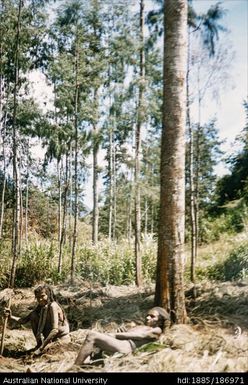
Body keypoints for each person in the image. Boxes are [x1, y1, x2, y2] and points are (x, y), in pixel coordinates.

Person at [74, 306, 170, 366]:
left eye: (152, 316)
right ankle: (88, 363)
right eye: (148, 315)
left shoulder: (157, 330)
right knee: (95, 340)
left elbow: (139, 336)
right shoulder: (144, 326)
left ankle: (74, 369)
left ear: (160, 320)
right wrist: (122, 332)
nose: (148, 317)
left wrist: (115, 335)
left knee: (92, 336)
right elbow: (132, 334)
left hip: (126, 347)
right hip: (122, 344)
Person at [4, 284, 70, 355]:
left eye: (42, 296)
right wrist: (11, 317)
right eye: (38, 297)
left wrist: (41, 348)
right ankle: (39, 343)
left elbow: (55, 330)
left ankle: (41, 346)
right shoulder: (41, 307)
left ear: (48, 295)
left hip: (61, 339)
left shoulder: (53, 306)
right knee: (33, 315)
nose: (40, 299)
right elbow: (23, 321)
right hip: (48, 342)